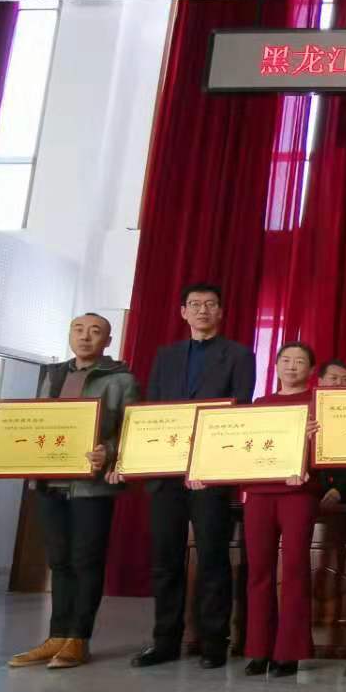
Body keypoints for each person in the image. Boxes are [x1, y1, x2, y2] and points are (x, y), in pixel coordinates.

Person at [0, 314, 137, 670]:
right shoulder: (53, 375)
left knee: (86, 561)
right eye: (79, 329)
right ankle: (56, 636)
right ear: (70, 334)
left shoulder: (121, 379)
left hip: (91, 487)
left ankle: (78, 639)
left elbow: (133, 429)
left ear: (108, 340)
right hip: (49, 482)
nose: (85, 337)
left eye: (95, 332)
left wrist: (109, 452)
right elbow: (36, 424)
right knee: (58, 561)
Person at [128, 283, 255, 670]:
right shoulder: (165, 356)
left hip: (210, 473)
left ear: (221, 312)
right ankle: (164, 641)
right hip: (165, 471)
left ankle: (213, 641)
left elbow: (239, 411)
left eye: (210, 304)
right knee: (165, 559)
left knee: (213, 556)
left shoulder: (238, 355)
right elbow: (152, 409)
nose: (203, 310)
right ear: (183, 311)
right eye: (195, 304)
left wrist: (208, 463)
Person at [239, 342, 319, 679]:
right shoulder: (261, 404)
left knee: (296, 568)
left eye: (300, 361)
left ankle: (289, 651)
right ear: (275, 365)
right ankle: (259, 648)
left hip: (298, 493)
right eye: (286, 360)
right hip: (259, 492)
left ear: (311, 370)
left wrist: (312, 447)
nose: (292, 366)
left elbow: (331, 452)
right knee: (258, 571)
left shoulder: (319, 404)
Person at [314, 359, 346, 508]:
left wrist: (340, 490)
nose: (339, 383)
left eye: (345, 379)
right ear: (320, 381)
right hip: (312, 490)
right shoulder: (309, 411)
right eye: (333, 378)